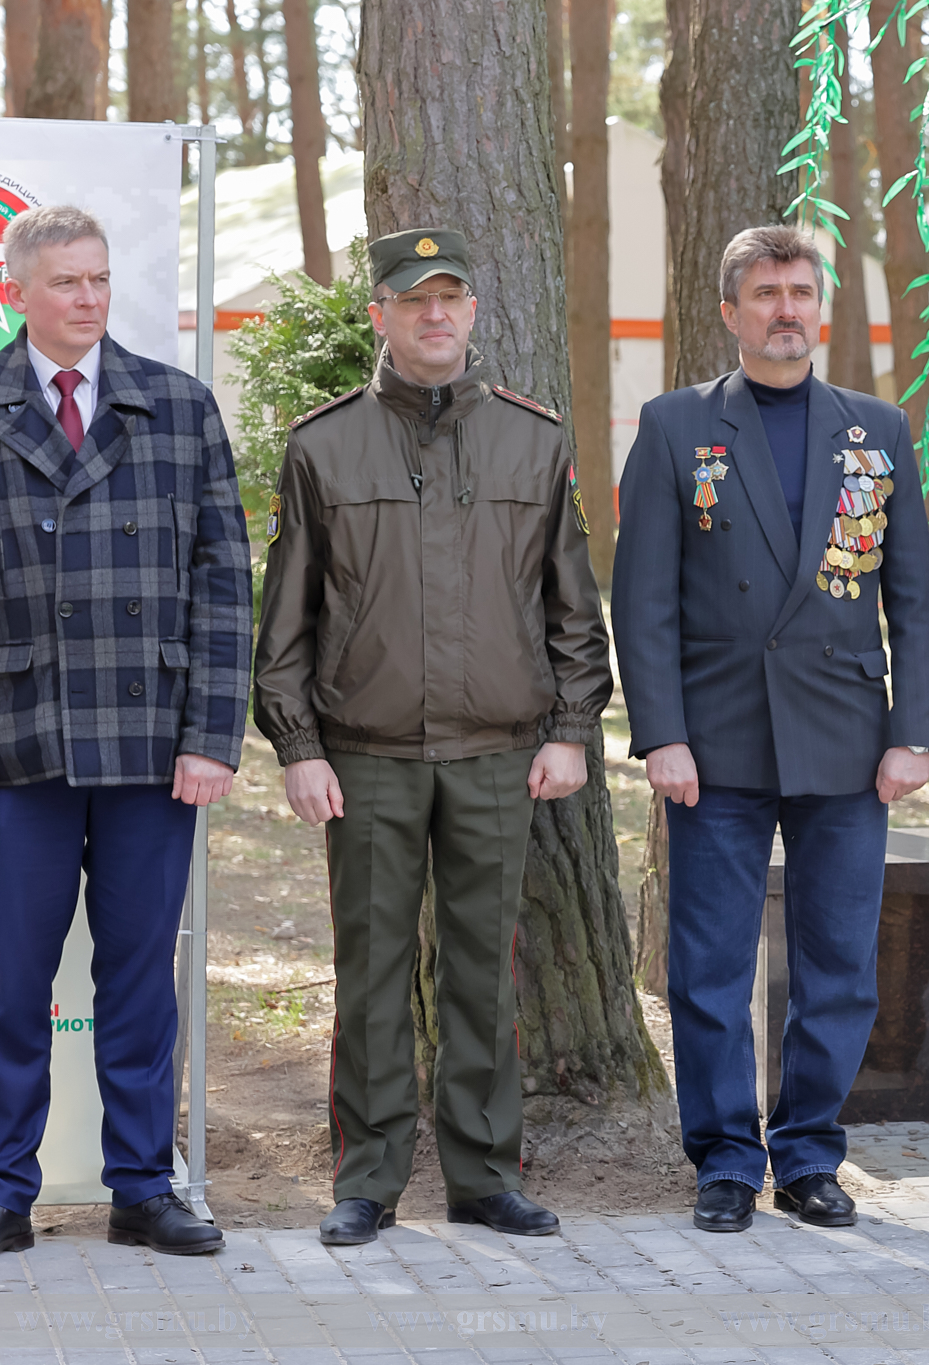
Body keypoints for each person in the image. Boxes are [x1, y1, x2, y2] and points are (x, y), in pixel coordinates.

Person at [253, 228, 611, 1244]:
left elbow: (572, 605)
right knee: (370, 971)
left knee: (482, 970)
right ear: (381, 314)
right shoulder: (324, 446)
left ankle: (484, 1175)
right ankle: (366, 1180)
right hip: (365, 756)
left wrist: (571, 727)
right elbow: (285, 620)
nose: (435, 314)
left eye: (450, 297)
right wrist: (298, 746)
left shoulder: (533, 440)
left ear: (473, 311)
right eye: (414, 299)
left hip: (499, 752)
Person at [614, 226, 929, 1236]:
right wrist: (660, 732)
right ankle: (723, 1158)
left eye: (801, 291)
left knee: (839, 964)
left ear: (820, 308)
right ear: (731, 311)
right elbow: (643, 599)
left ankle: (807, 1154)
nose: (786, 308)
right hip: (716, 740)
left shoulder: (877, 429)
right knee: (710, 965)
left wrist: (913, 730)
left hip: (846, 738)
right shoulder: (675, 426)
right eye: (766, 292)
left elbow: (914, 597)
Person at [0, 205, 249, 1259]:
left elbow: (223, 585)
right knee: (8, 984)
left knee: (139, 980)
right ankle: (1, 1188)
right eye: (66, 282)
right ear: (17, 293)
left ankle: (143, 1186)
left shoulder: (178, 407)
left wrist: (211, 736)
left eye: (98, 278)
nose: (89, 298)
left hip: (150, 747)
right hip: (19, 744)